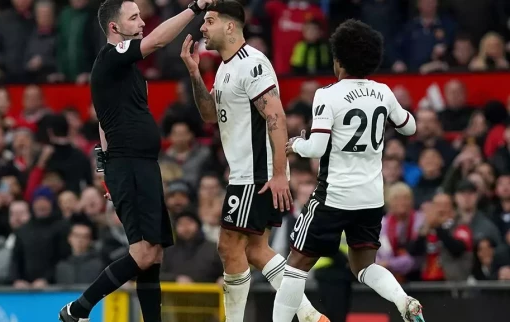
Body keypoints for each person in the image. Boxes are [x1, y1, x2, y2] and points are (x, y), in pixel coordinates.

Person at [58, 0, 214, 321]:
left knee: (154, 254)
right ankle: (78, 309)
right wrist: (195, 7)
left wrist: (105, 172)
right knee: (142, 253)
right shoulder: (110, 57)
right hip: (129, 164)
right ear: (114, 28)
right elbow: (157, 41)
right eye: (134, 17)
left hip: (139, 166)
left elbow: (104, 121)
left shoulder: (125, 70)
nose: (142, 22)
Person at [180, 1, 327, 321]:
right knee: (255, 250)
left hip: (255, 172)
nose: (202, 28)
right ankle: (310, 315)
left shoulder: (252, 63)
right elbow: (209, 115)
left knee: (227, 246)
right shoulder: (224, 67)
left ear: (230, 26)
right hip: (247, 172)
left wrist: (277, 174)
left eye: (209, 21)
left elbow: (275, 115)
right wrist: (194, 74)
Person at [274, 19, 424, 322]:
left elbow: (316, 148)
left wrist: (296, 145)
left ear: (338, 59)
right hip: (370, 198)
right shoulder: (383, 92)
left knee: (294, 266)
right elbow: (410, 126)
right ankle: (403, 300)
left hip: (334, 196)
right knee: (364, 266)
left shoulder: (328, 95)